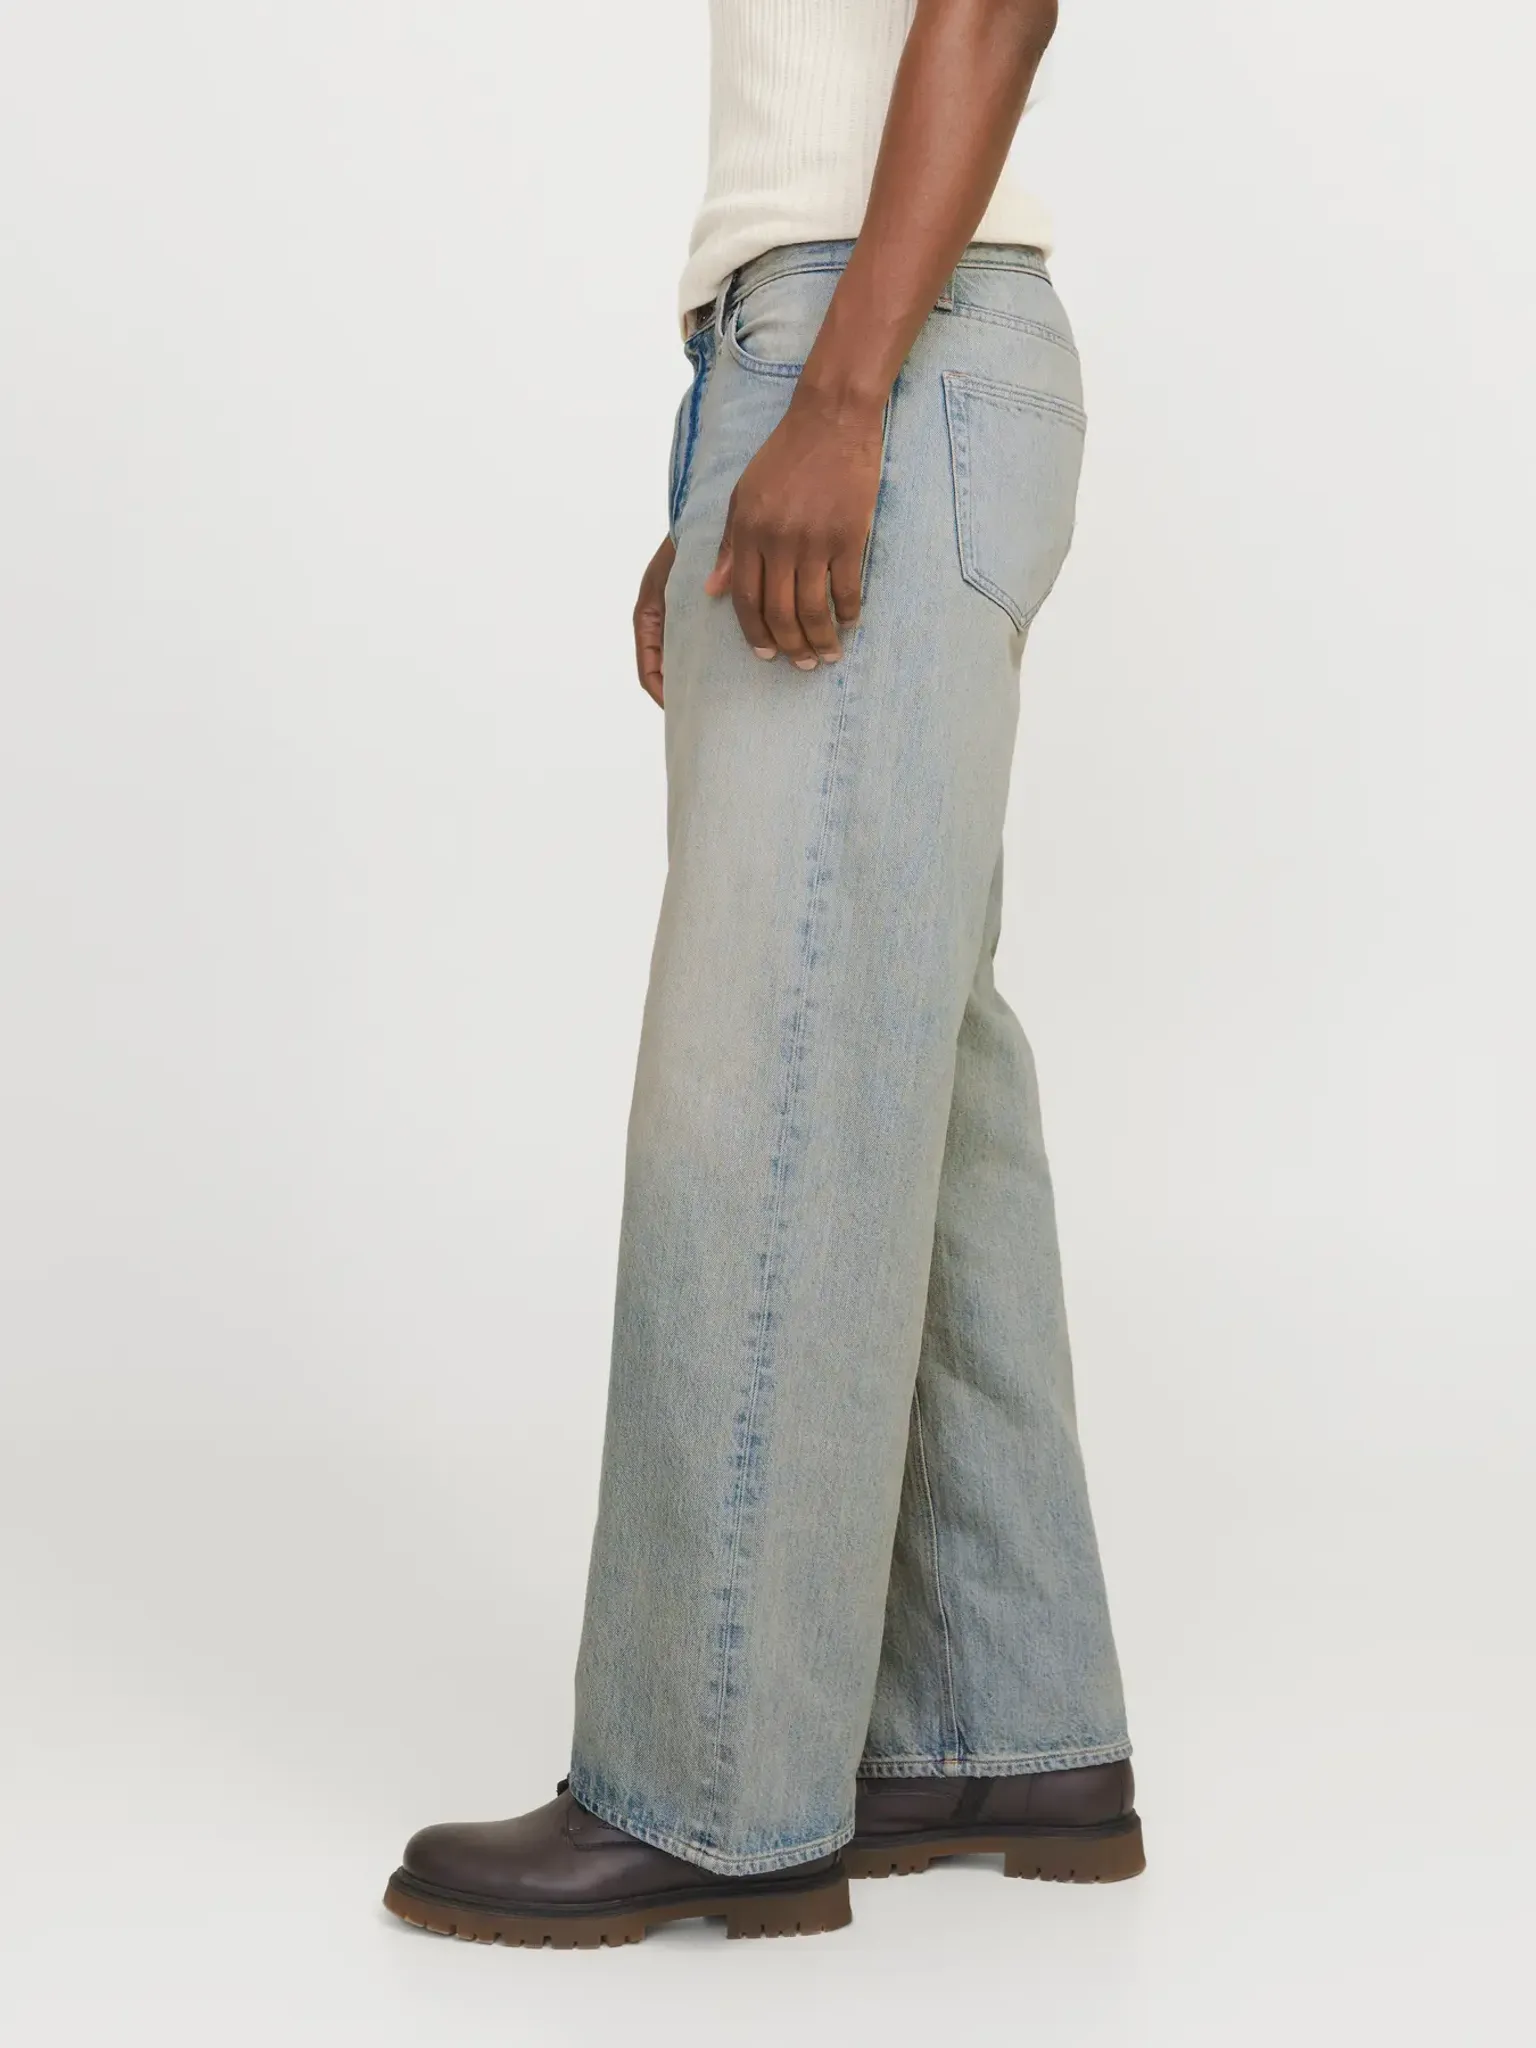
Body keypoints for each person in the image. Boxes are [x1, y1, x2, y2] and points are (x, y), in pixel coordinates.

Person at [384, 0, 1141, 1949]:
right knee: (905, 1059)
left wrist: (838, 403)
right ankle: (998, 1720)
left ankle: (706, 1782)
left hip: (886, 337)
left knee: (763, 1077)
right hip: (842, 344)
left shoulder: (864, 374)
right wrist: (740, 452)